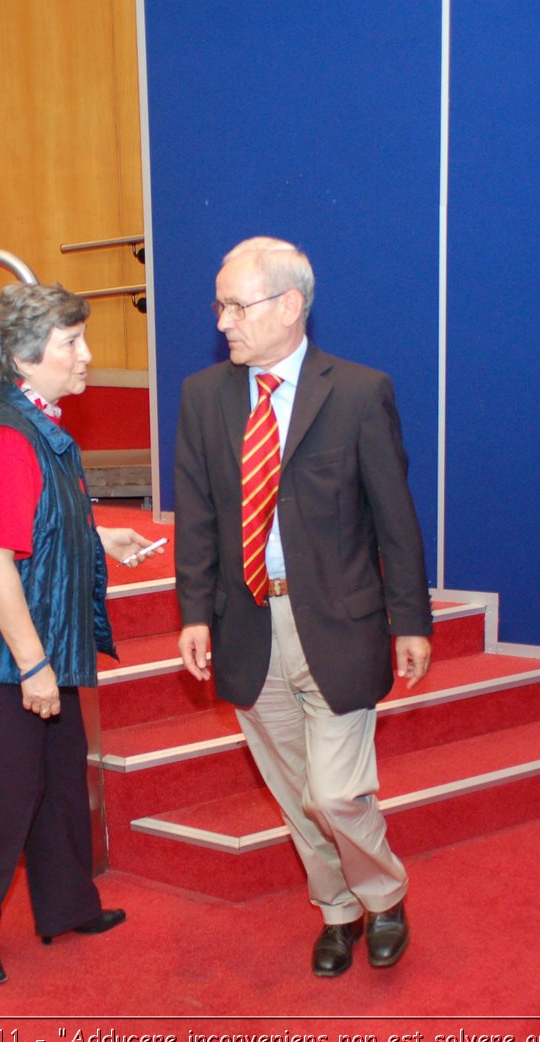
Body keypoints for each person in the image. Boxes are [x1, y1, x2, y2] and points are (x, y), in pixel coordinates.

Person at [173, 238, 433, 977]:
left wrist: (409, 619)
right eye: (218, 305)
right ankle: (337, 910)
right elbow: (196, 516)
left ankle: (383, 895)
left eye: (236, 305)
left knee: (338, 792)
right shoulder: (204, 396)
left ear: (289, 306)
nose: (222, 320)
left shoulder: (357, 391)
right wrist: (195, 612)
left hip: (340, 624)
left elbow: (395, 517)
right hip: (248, 622)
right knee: (295, 795)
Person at [0, 282, 160, 986]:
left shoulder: (37, 419)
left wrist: (99, 537)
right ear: (25, 359)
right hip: (0, 653)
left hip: (37, 641)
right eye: (72, 343)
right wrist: (33, 667)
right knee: (6, 789)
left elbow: (40, 521)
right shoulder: (4, 438)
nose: (88, 354)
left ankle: (65, 904)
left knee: (60, 776)